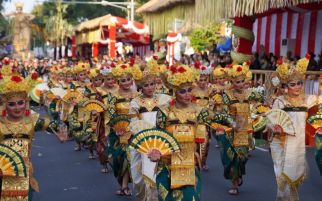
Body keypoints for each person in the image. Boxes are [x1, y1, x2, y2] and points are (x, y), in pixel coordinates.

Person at [147, 64, 233, 201]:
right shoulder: (164, 112)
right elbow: (159, 136)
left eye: (189, 90)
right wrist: (155, 152)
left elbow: (218, 117)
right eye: (183, 91)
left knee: (190, 198)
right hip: (167, 164)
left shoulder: (199, 111)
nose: (188, 95)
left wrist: (233, 122)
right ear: (175, 91)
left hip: (189, 163)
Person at [270, 55, 321, 200]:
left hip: (297, 145)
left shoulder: (306, 99)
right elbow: (272, 119)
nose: (297, 87)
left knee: (294, 181)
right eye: (293, 84)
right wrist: (276, 128)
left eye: (300, 83)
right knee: (283, 181)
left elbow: (319, 102)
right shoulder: (280, 101)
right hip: (280, 144)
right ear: (286, 87)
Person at [0, 72, 54, 200]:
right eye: (11, 104)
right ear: (4, 105)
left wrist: (62, 130)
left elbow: (53, 125)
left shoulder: (31, 120)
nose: (17, 108)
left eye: (20, 103)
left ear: (26, 103)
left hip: (24, 171)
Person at [217, 63, 266, 195]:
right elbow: (223, 113)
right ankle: (234, 182)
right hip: (231, 130)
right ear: (232, 82)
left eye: (242, 81)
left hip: (244, 130)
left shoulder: (250, 93)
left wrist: (271, 87)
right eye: (238, 82)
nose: (241, 84)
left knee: (242, 158)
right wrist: (230, 124)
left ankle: (238, 175)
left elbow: (263, 99)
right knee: (231, 158)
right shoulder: (227, 95)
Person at [129, 58, 171, 201]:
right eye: (146, 85)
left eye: (152, 84)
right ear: (141, 86)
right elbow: (134, 122)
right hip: (141, 141)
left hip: (160, 140)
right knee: (137, 178)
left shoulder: (164, 99)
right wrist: (142, 134)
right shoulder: (135, 102)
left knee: (157, 172)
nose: (150, 87)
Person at [105, 62, 142, 196]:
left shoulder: (137, 95)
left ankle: (125, 186)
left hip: (133, 131)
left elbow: (141, 113)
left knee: (128, 157)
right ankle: (122, 184)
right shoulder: (113, 96)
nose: (126, 82)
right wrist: (115, 128)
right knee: (116, 160)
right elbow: (110, 114)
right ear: (118, 81)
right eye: (123, 80)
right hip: (117, 133)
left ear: (132, 80)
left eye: (128, 79)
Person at [192, 64, 213, 171]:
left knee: (206, 141)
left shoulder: (210, 90)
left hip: (205, 120)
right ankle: (196, 161)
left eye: (204, 80)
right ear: (197, 80)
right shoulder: (192, 91)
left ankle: (203, 161)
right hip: (195, 119)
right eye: (200, 80)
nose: (202, 82)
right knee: (195, 141)